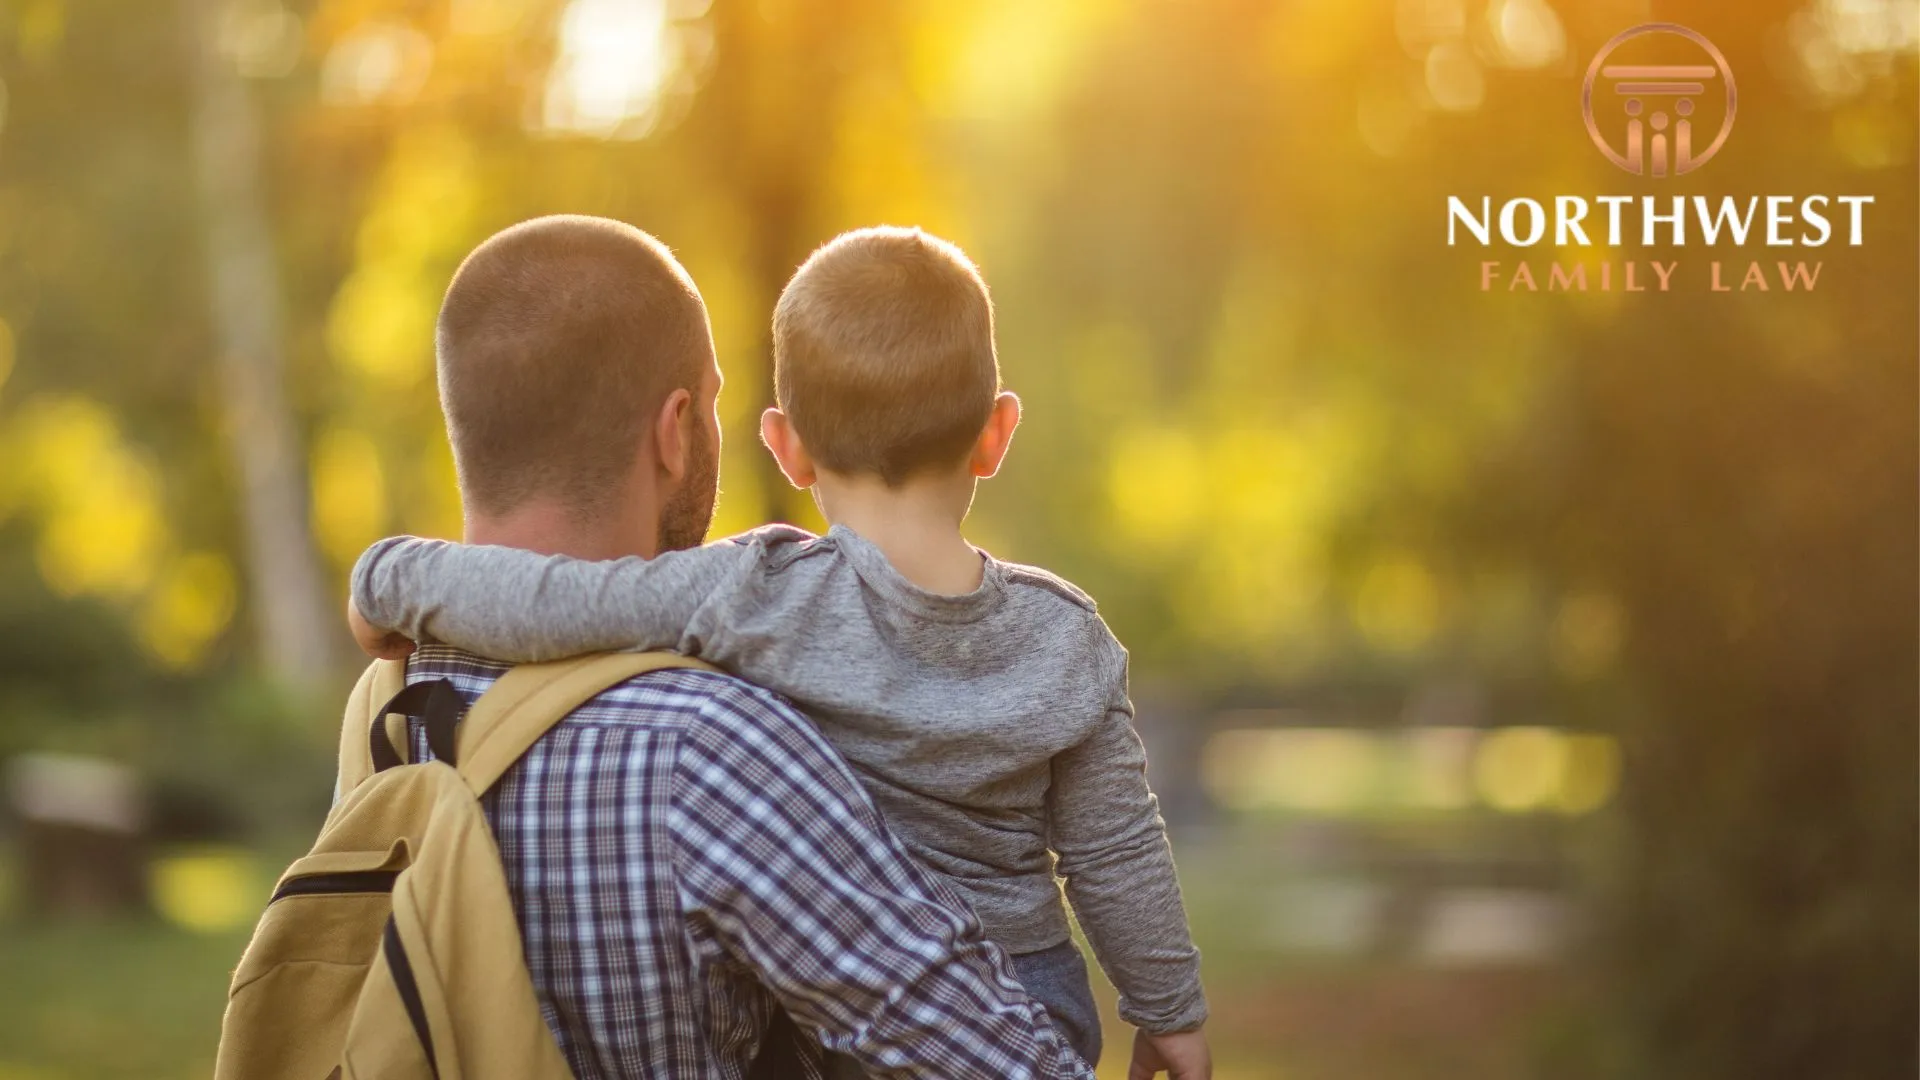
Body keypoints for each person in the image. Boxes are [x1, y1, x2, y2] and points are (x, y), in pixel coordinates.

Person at [350, 226, 1211, 1080]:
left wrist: (393, 575)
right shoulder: (1068, 637)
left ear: (787, 445)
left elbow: (567, 601)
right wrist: (1171, 1012)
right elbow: (1116, 848)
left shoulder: (753, 593)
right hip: (1028, 994)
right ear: (998, 431)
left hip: (841, 1036)